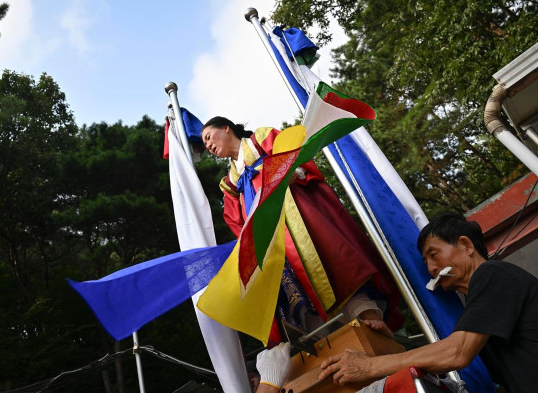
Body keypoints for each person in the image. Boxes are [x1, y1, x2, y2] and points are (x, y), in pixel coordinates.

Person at [201, 116, 402, 343]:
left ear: (226, 128)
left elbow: (296, 153)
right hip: (271, 238)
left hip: (301, 217)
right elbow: (236, 222)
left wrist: (293, 172)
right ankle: (327, 343)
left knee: (336, 264)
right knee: (297, 292)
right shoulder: (230, 183)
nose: (208, 145)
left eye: (209, 137)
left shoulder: (261, 139)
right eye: (205, 144)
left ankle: (372, 322)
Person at [317, 213, 538, 393]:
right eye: (426, 262)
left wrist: (370, 366)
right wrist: (390, 345)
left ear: (466, 245)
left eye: (434, 254)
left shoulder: (493, 273)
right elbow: (441, 359)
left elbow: (456, 352)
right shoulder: (477, 308)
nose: (431, 268)